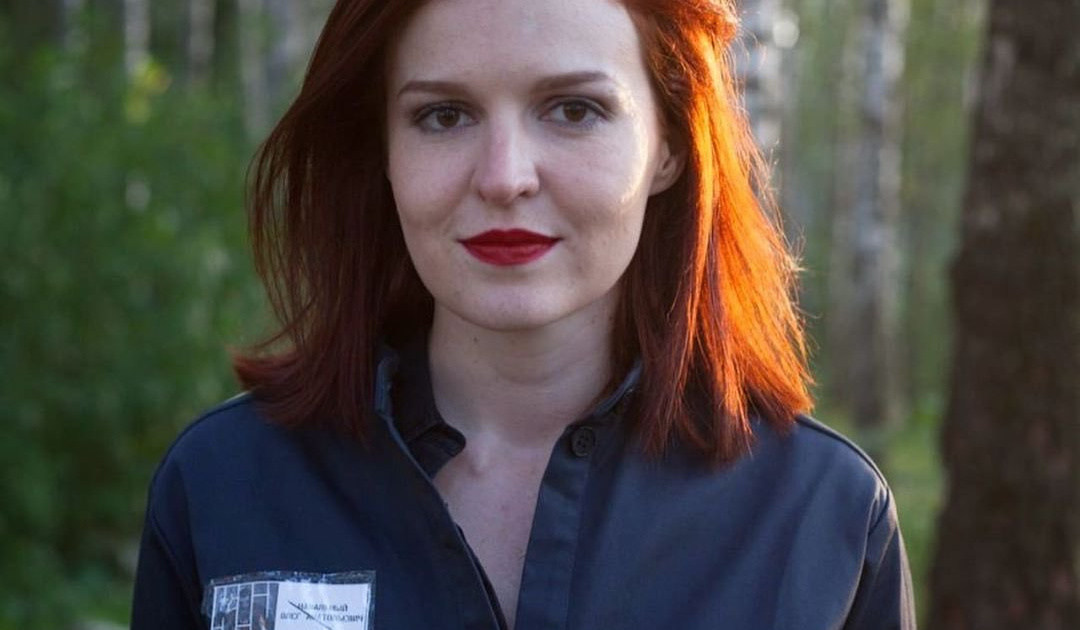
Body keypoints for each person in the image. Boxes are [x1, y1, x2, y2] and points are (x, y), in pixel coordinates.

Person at [131, 0, 916, 628]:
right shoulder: (224, 486)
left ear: (669, 145)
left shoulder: (823, 517)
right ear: (383, 152)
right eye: (444, 116)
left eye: (573, 109)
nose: (505, 177)